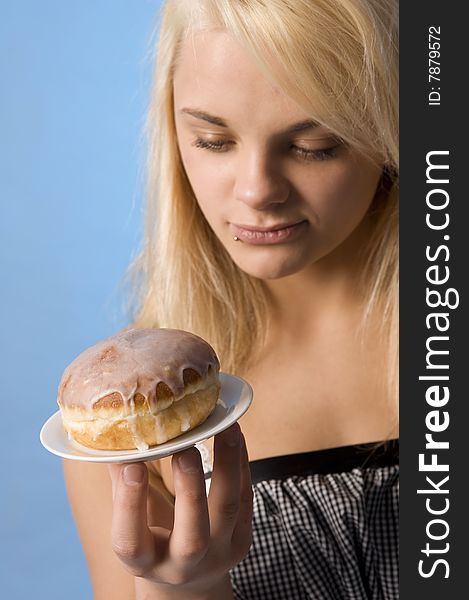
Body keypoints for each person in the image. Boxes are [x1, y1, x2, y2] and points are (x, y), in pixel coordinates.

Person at [64, 0, 399, 598]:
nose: (256, 191)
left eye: (316, 145)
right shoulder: (133, 421)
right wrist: (186, 587)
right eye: (214, 140)